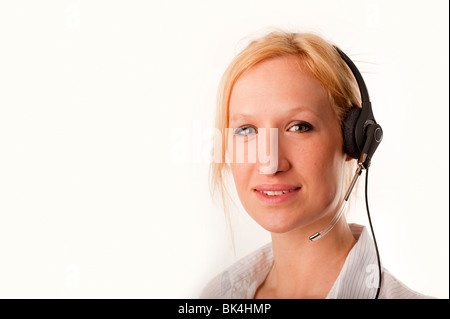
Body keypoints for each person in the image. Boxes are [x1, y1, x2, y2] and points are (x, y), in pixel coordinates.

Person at [201, 30, 432, 299]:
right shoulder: (216, 295)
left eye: (299, 127)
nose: (269, 163)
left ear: (354, 141)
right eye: (247, 130)